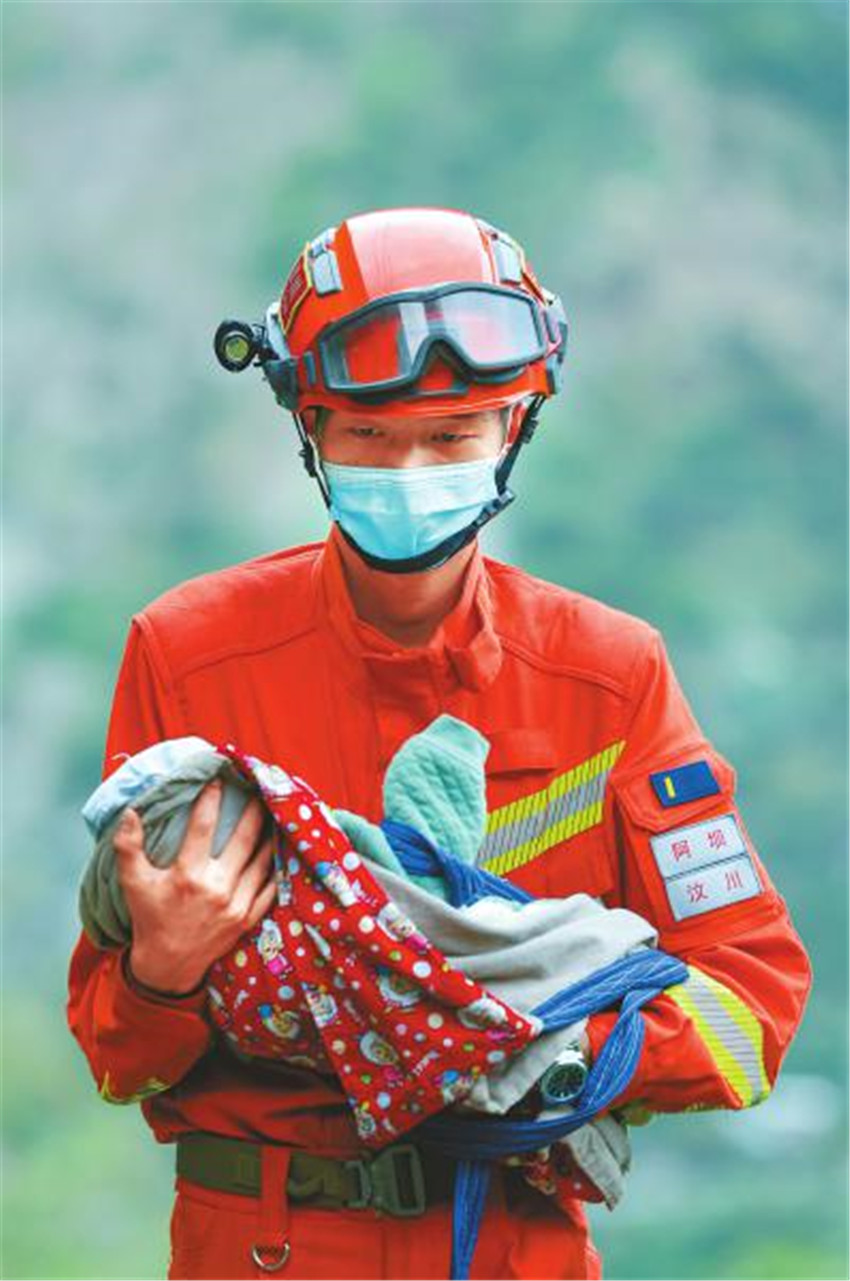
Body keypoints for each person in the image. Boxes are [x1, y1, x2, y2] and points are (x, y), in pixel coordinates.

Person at [67, 207, 811, 1281]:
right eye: (368, 435)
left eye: (452, 436)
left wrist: (544, 1046)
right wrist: (163, 970)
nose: (409, 467)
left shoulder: (609, 676)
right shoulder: (188, 657)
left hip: (509, 1244)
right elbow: (114, 1054)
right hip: (261, 1245)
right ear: (310, 428)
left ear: (514, 427)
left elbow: (751, 1008)